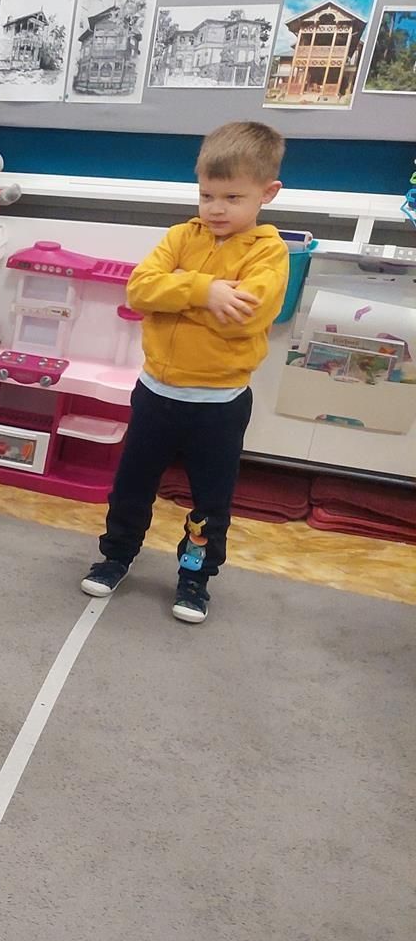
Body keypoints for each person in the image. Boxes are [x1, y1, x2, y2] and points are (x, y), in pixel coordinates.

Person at [80, 121, 290, 624]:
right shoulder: (179, 236)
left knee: (209, 502)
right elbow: (139, 291)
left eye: (232, 197)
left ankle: (195, 577)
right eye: (207, 195)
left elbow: (245, 317)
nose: (216, 208)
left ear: (267, 193)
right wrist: (204, 292)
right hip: (155, 393)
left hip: (218, 406)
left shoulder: (268, 252)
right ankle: (117, 555)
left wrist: (175, 295)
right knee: (131, 485)